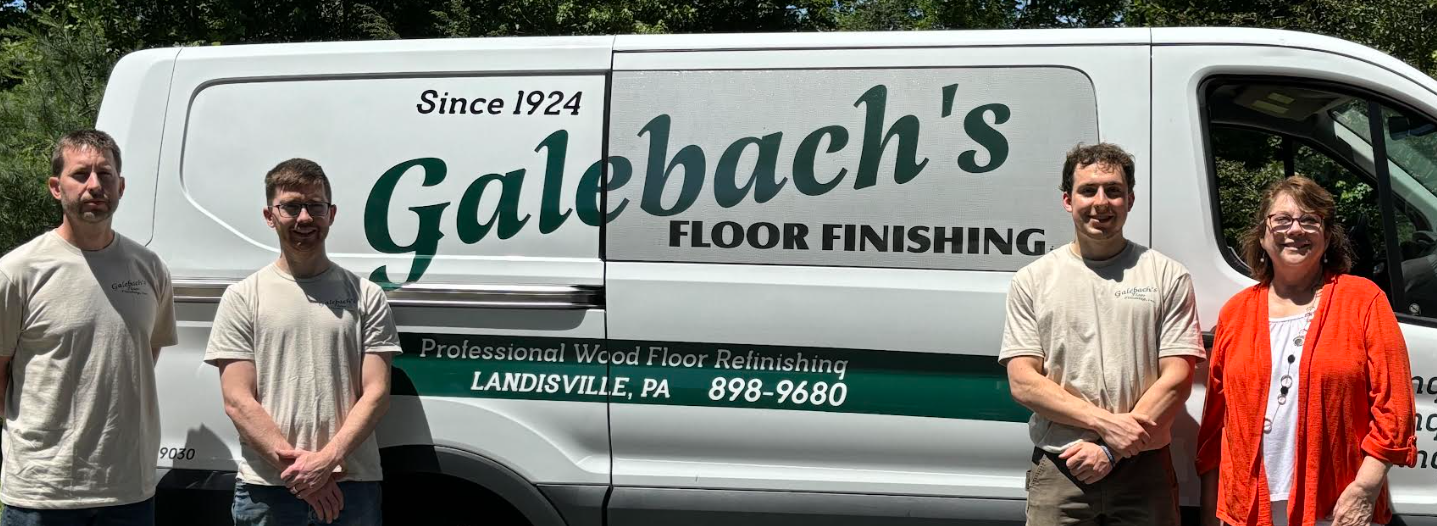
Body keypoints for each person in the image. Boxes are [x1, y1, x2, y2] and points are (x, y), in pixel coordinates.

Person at [1000, 142, 1204, 525]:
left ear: (1130, 199)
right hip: (1062, 468)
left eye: (1113, 190)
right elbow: (1023, 382)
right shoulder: (1033, 280)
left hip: (1143, 470)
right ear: (1067, 199)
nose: (1101, 202)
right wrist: (1104, 424)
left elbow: (1178, 378)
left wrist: (1111, 448)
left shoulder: (1166, 275)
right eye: (1088, 190)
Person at [1197, 176, 1417, 526]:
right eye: (1282, 220)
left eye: (1310, 220)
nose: (1295, 230)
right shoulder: (1235, 312)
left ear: (1327, 237)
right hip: (1249, 507)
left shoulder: (1363, 299)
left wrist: (1365, 488)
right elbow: (1215, 424)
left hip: (1339, 506)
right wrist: (1213, 511)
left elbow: (1396, 407)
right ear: (1263, 234)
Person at [205, 158, 401, 525]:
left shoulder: (367, 296)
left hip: (350, 485)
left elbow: (376, 394)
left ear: (332, 213)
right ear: (269, 215)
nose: (305, 218)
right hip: (268, 489)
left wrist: (326, 462)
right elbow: (236, 399)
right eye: (291, 206)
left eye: (315, 205)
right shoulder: (243, 296)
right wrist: (305, 477)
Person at [0, 130, 178, 525]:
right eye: (81, 174)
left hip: (128, 489)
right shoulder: (18, 272)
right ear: (55, 187)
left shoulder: (149, 268)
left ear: (121, 185)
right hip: (43, 494)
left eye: (106, 174)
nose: (95, 185)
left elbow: (143, 355)